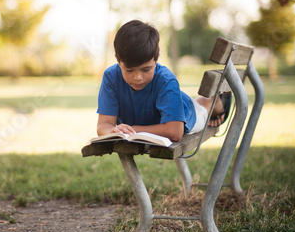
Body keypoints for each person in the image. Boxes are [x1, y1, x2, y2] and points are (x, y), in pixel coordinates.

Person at [96, 19, 230, 142]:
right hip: (165, 111)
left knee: (204, 108)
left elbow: (175, 132)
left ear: (157, 58)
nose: (138, 77)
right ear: (118, 60)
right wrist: (113, 130)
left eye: (146, 69)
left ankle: (216, 100)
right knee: (188, 102)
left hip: (188, 114)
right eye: (129, 70)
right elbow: (104, 124)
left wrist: (132, 129)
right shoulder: (110, 76)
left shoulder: (166, 79)